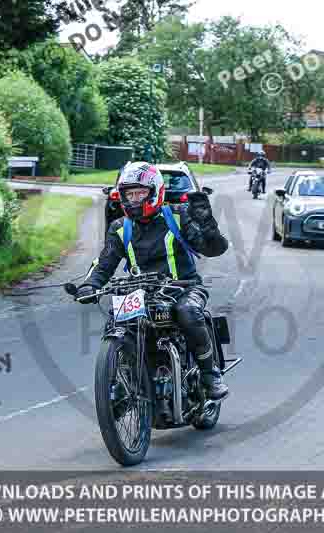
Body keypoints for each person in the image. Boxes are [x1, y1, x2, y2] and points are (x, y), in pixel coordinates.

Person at [75, 162, 230, 400]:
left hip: (185, 288)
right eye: (130, 194)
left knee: (187, 312)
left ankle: (210, 375)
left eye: (140, 193)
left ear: (155, 192)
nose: (135, 199)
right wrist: (89, 285)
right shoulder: (119, 228)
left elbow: (214, 249)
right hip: (140, 293)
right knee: (115, 322)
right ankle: (122, 381)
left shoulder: (178, 216)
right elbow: (105, 261)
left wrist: (208, 225)